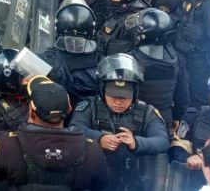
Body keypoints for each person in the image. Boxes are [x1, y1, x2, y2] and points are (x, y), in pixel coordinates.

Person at [0, 76, 109, 190]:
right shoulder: (92, 149)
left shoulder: (7, 144)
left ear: (31, 110)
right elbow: (102, 183)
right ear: (69, 108)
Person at [69, 53, 170, 189]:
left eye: (125, 96)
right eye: (113, 95)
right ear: (102, 89)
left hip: (133, 181)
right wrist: (99, 138)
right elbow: (74, 128)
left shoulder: (147, 111)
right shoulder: (89, 106)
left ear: (134, 93)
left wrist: (136, 143)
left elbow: (162, 141)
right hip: (95, 181)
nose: (118, 102)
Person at [45, 0, 101, 106]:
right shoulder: (102, 61)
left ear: (58, 26)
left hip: (54, 117)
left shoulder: (46, 59)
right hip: (90, 119)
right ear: (91, 28)